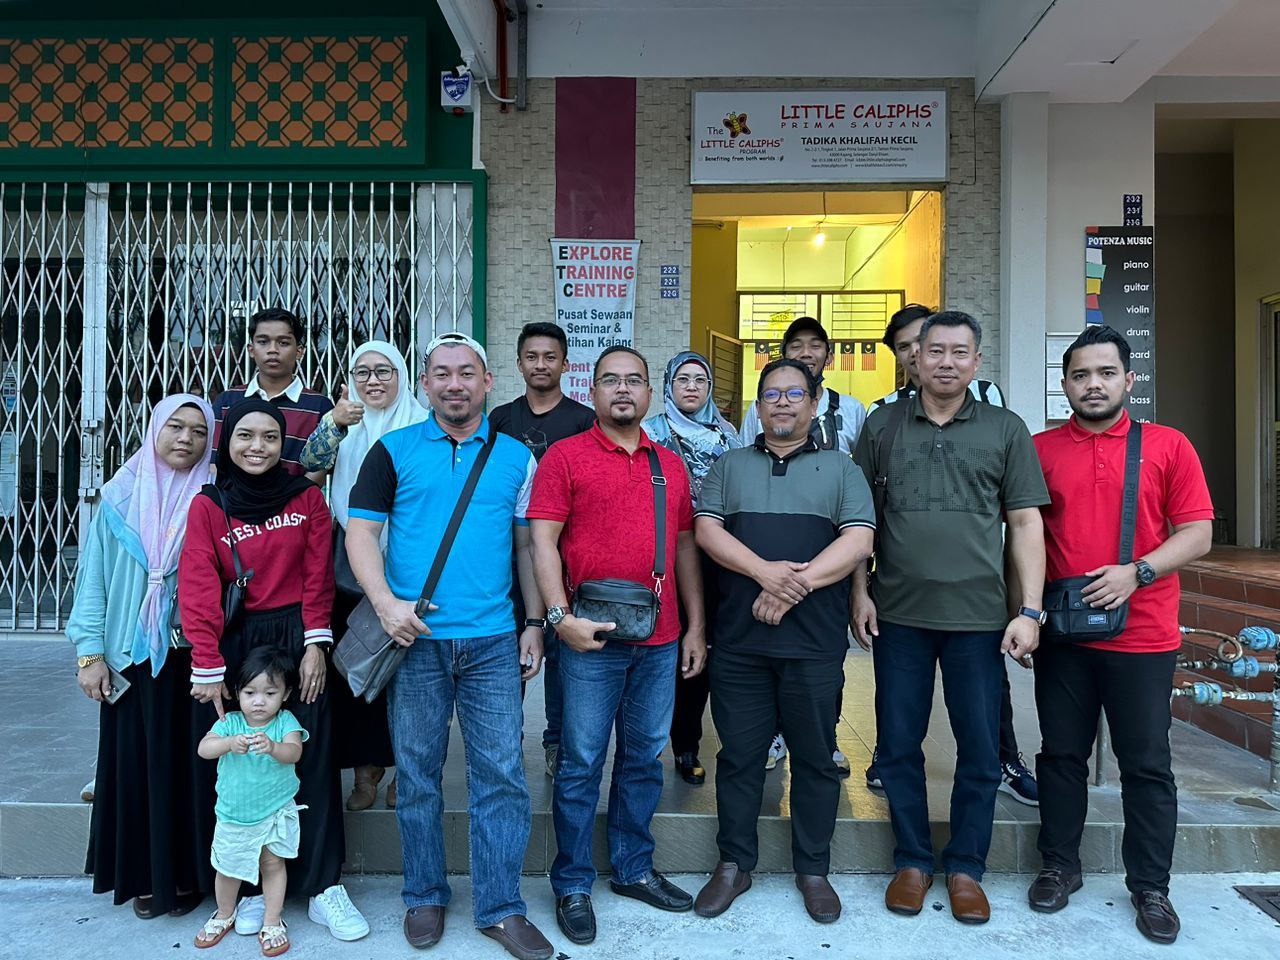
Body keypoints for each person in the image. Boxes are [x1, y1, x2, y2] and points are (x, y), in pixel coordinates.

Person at [345, 331, 553, 960]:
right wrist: (388, 607)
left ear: (488, 382)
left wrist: (534, 622)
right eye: (441, 373)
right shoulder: (391, 450)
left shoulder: (517, 457)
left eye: (467, 373)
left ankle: (499, 906)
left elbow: (526, 546)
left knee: (502, 775)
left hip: (491, 641)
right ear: (426, 383)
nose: (454, 384)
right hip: (414, 639)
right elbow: (361, 535)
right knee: (417, 776)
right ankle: (424, 895)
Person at [850, 311, 1049, 924]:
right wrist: (859, 593)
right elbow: (858, 522)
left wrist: (1030, 610)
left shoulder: (1005, 429)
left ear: (976, 362)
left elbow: (1025, 523)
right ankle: (912, 860)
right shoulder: (883, 426)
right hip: (899, 614)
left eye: (959, 352)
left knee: (980, 749)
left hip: (979, 618)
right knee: (898, 744)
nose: (945, 362)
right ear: (916, 358)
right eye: (934, 351)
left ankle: (966, 867)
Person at [1029, 325, 1213, 945]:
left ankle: (1152, 887)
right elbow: (1023, 539)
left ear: (1129, 380)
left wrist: (1138, 572)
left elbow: (1197, 533)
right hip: (1064, 635)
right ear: (1064, 385)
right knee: (1060, 757)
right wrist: (1027, 614)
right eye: (1081, 375)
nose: (1094, 384)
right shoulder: (1040, 449)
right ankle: (1059, 865)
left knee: (1147, 765)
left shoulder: (1168, 445)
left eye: (1106, 373)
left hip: (1144, 634)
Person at [529, 346, 707, 946]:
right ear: (593, 391)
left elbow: (684, 547)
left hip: (659, 640)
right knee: (581, 762)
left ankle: (633, 868)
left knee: (644, 759)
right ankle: (572, 883)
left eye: (634, 380)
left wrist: (695, 626)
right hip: (588, 640)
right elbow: (542, 542)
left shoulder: (668, 464)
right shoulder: (565, 456)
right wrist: (559, 619)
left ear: (650, 394)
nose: (623, 390)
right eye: (611, 380)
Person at [692, 358, 875, 924]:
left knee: (816, 759)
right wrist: (764, 574)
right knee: (739, 758)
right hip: (739, 644)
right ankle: (734, 864)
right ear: (758, 406)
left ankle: (813, 869)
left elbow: (859, 540)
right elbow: (706, 531)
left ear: (814, 404)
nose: (783, 403)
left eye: (795, 394)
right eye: (771, 394)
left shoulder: (841, 468)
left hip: (814, 645)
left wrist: (792, 586)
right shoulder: (729, 465)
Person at [179, 397, 369, 943]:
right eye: (245, 435)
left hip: (298, 636)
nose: (256, 447)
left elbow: (318, 575)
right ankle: (249, 887)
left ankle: (324, 884)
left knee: (309, 756)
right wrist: (207, 661)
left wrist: (316, 645)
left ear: (283, 444)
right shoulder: (210, 504)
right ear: (227, 441)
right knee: (241, 763)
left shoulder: (306, 497)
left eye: (269, 437)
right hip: (237, 643)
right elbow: (198, 581)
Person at [69, 394, 215, 920]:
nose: (186, 438)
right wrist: (89, 654)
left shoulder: (214, 495)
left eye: (199, 431)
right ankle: (145, 878)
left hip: (194, 658)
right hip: (131, 656)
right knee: (136, 768)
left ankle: (188, 876)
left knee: (189, 770)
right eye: (175, 426)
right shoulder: (120, 496)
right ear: (155, 430)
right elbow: (94, 580)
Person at [299, 340, 427, 813]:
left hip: (410, 560)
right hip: (351, 564)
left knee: (409, 672)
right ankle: (365, 770)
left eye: (383, 371)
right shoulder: (343, 423)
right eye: (363, 372)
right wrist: (334, 424)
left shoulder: (422, 423)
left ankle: (406, 771)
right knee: (356, 663)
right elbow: (309, 467)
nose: (373, 381)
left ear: (402, 377)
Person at [738, 316, 866, 776]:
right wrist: (766, 574)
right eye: (797, 344)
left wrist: (854, 588)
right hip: (758, 571)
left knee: (821, 669)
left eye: (815, 344)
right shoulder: (758, 418)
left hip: (828, 565)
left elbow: (857, 522)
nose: (806, 352)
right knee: (762, 665)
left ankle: (824, 737)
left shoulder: (853, 411)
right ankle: (773, 735)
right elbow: (748, 473)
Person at [490, 322, 596, 780]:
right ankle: (505, 742)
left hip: (567, 556)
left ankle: (556, 742)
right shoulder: (500, 419)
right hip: (510, 555)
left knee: (563, 653)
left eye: (550, 357)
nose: (540, 364)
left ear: (565, 364)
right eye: (531, 356)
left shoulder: (583, 420)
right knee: (508, 651)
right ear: (519, 364)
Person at [642, 351, 741, 786]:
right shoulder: (650, 431)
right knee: (663, 647)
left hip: (718, 555)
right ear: (668, 385)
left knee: (706, 647)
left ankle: (690, 744)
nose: (691, 387)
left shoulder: (728, 435)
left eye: (700, 380)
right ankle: (655, 746)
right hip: (664, 553)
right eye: (682, 379)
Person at [194, 647, 307, 957]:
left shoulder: (285, 722)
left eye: (270, 693)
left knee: (273, 864)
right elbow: (204, 749)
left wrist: (273, 747)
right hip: (234, 814)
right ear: (237, 692)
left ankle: (272, 920)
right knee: (227, 868)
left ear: (286, 694)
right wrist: (229, 743)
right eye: (250, 693)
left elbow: (294, 752)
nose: (259, 701)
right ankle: (223, 913)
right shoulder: (230, 723)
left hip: (274, 811)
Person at [211, 307, 333, 481]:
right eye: (263, 342)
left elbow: (319, 469)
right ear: (251, 349)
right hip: (233, 498)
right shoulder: (227, 401)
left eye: (283, 343)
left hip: (297, 498)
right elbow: (216, 464)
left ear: (299, 351)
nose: (273, 350)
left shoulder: (320, 406)